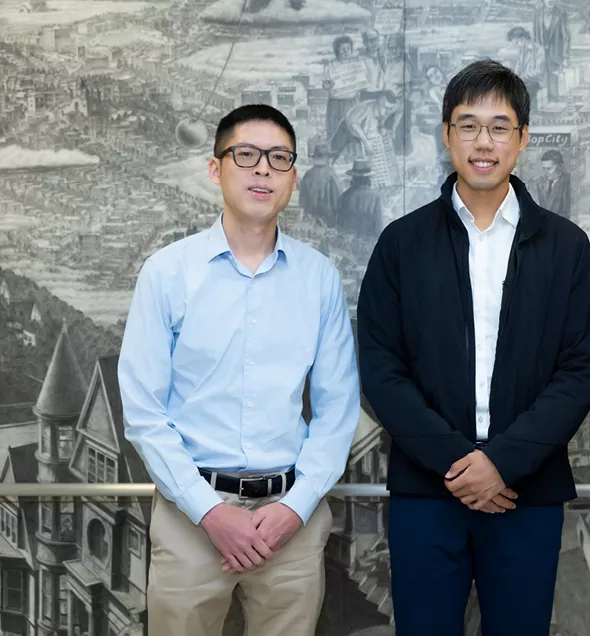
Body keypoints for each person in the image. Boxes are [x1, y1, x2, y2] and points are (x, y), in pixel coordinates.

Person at [356, 60, 590, 636]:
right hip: (427, 491)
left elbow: (578, 371)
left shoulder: (565, 246)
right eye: (468, 126)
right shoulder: (402, 243)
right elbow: (381, 366)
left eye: (499, 126)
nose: (483, 142)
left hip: (527, 493)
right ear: (447, 136)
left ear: (523, 137)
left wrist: (502, 463)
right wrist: (456, 463)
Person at [118, 104, 361, 636]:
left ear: (293, 177)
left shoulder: (318, 278)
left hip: (291, 519)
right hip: (190, 516)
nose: (263, 169)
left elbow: (338, 411)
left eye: (279, 158)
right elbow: (143, 411)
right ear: (216, 168)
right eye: (246, 155)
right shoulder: (167, 273)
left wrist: (295, 508)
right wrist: (209, 512)